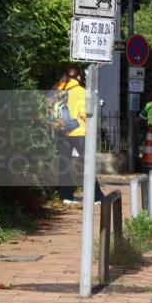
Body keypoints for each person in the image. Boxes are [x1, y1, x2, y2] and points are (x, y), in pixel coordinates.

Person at [52, 66, 104, 205]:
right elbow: (83, 113)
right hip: (78, 131)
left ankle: (66, 196)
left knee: (64, 163)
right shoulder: (80, 91)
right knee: (88, 163)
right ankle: (96, 196)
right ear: (79, 77)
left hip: (61, 131)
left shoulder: (58, 90)